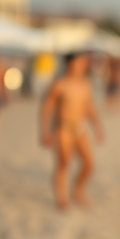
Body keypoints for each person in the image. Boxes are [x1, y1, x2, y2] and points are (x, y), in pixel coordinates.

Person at [39, 52, 105, 210]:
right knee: (63, 164)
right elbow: (47, 107)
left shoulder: (85, 84)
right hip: (63, 129)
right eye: (80, 62)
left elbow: (89, 107)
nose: (83, 65)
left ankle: (77, 190)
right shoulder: (59, 84)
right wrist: (45, 130)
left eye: (83, 62)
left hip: (80, 128)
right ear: (70, 64)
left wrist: (97, 126)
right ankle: (62, 199)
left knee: (89, 164)